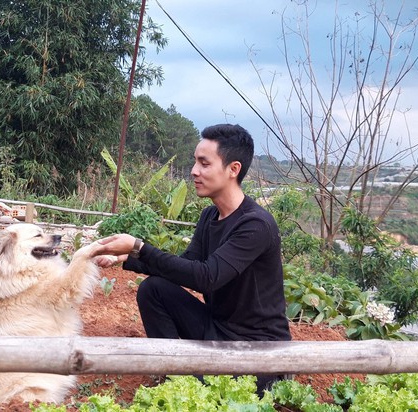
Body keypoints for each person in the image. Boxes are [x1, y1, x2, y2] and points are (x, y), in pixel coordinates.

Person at [95, 123, 291, 396]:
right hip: (217, 330)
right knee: (154, 290)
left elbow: (207, 277)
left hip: (257, 351)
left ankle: (190, 381)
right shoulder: (210, 217)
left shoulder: (255, 224)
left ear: (233, 169)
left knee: (209, 391)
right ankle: (175, 374)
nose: (194, 171)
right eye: (195, 162)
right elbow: (185, 266)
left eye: (204, 163)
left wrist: (140, 245)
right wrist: (128, 256)